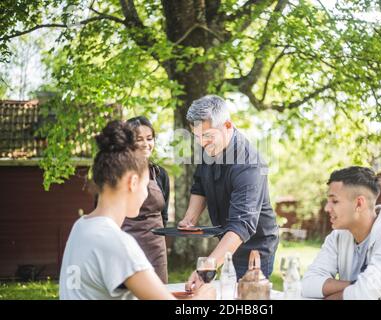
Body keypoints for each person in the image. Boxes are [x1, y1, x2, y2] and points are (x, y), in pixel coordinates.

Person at [59, 120, 215, 300]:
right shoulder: (117, 243)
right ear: (133, 182)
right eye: (145, 184)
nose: (145, 194)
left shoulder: (81, 227)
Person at [178, 95, 279, 292]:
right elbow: (200, 185)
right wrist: (190, 218)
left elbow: (242, 224)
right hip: (226, 242)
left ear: (227, 125)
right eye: (197, 137)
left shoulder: (250, 164)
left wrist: (206, 267)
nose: (202, 144)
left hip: (254, 249)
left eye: (207, 136)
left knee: (247, 301)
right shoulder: (209, 149)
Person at [302, 166, 381, 300]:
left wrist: (345, 291)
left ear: (359, 204)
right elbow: (308, 284)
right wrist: (355, 285)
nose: (327, 208)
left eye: (334, 201)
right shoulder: (337, 236)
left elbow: (365, 293)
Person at [122, 116, 170, 283]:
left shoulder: (160, 174)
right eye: (139, 139)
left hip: (156, 246)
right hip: (126, 243)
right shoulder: (118, 174)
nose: (145, 144)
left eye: (149, 139)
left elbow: (164, 215)